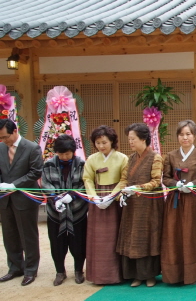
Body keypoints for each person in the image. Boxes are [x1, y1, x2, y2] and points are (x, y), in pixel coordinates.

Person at [161, 120, 196, 285]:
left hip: (195, 201)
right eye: (182, 134)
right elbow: (166, 178)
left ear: (195, 136)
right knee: (174, 235)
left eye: (188, 134)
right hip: (175, 202)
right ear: (177, 136)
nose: (185, 137)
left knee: (195, 234)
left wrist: (191, 184)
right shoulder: (170, 156)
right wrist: (175, 185)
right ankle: (175, 273)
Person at [115, 123, 164, 287]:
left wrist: (138, 188)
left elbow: (156, 181)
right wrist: (119, 192)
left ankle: (149, 275)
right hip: (132, 204)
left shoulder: (155, 157)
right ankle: (136, 275)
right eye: (129, 139)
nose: (130, 142)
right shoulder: (130, 158)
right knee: (133, 238)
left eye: (133, 139)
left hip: (149, 205)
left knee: (148, 238)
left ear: (143, 139)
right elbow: (123, 179)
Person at [82, 125, 128, 285]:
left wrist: (111, 196)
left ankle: (116, 274)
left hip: (114, 201)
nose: (101, 146)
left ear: (112, 141)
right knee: (98, 238)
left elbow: (124, 179)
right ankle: (99, 275)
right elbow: (87, 179)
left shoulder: (122, 158)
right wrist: (94, 197)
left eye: (104, 142)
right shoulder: (91, 159)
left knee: (114, 237)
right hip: (97, 201)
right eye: (98, 143)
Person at [0, 119, 43, 286]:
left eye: (5, 137)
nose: (4, 141)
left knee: (28, 235)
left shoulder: (32, 148)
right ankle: (15, 267)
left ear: (15, 131)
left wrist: (13, 185)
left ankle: (30, 270)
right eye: (1, 138)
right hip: (5, 200)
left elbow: (35, 172)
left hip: (25, 198)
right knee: (9, 235)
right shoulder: (1, 148)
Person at [41, 135, 88, 286]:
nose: (64, 156)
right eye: (61, 154)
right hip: (56, 210)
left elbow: (85, 183)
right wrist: (55, 198)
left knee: (78, 242)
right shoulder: (48, 164)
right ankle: (60, 271)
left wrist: (72, 196)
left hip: (77, 209)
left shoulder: (81, 164)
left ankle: (79, 271)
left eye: (67, 153)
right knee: (56, 242)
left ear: (73, 151)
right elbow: (46, 183)